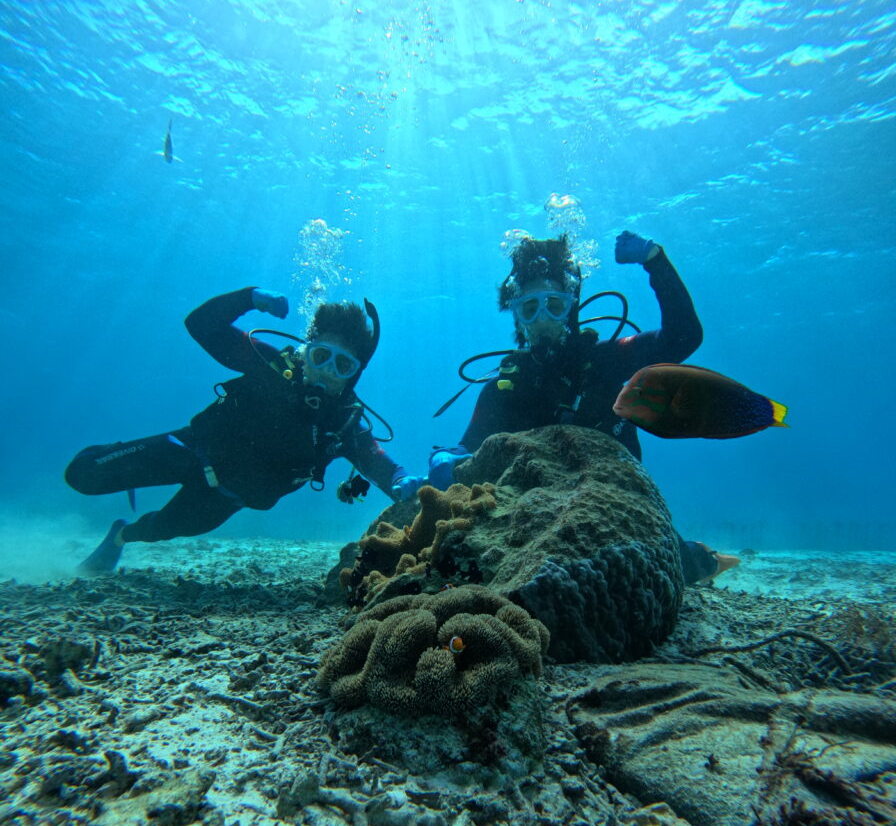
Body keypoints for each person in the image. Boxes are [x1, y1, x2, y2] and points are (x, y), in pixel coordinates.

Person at [427, 231, 738, 585]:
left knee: (670, 568)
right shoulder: (502, 390)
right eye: (530, 308)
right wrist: (448, 458)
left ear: (570, 308)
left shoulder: (605, 359)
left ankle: (704, 559)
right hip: (532, 520)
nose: (543, 320)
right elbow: (470, 448)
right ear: (518, 318)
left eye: (554, 306)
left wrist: (656, 261)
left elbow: (684, 336)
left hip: (616, 504)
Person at [66, 286, 423, 574]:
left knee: (159, 529)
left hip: (224, 499)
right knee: (82, 475)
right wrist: (250, 298)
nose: (327, 371)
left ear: (354, 374)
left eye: (342, 365)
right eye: (320, 357)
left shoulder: (344, 421)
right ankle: (119, 453)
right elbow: (201, 325)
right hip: (189, 452)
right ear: (306, 351)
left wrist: (402, 479)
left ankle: (120, 535)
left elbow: (377, 462)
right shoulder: (269, 364)